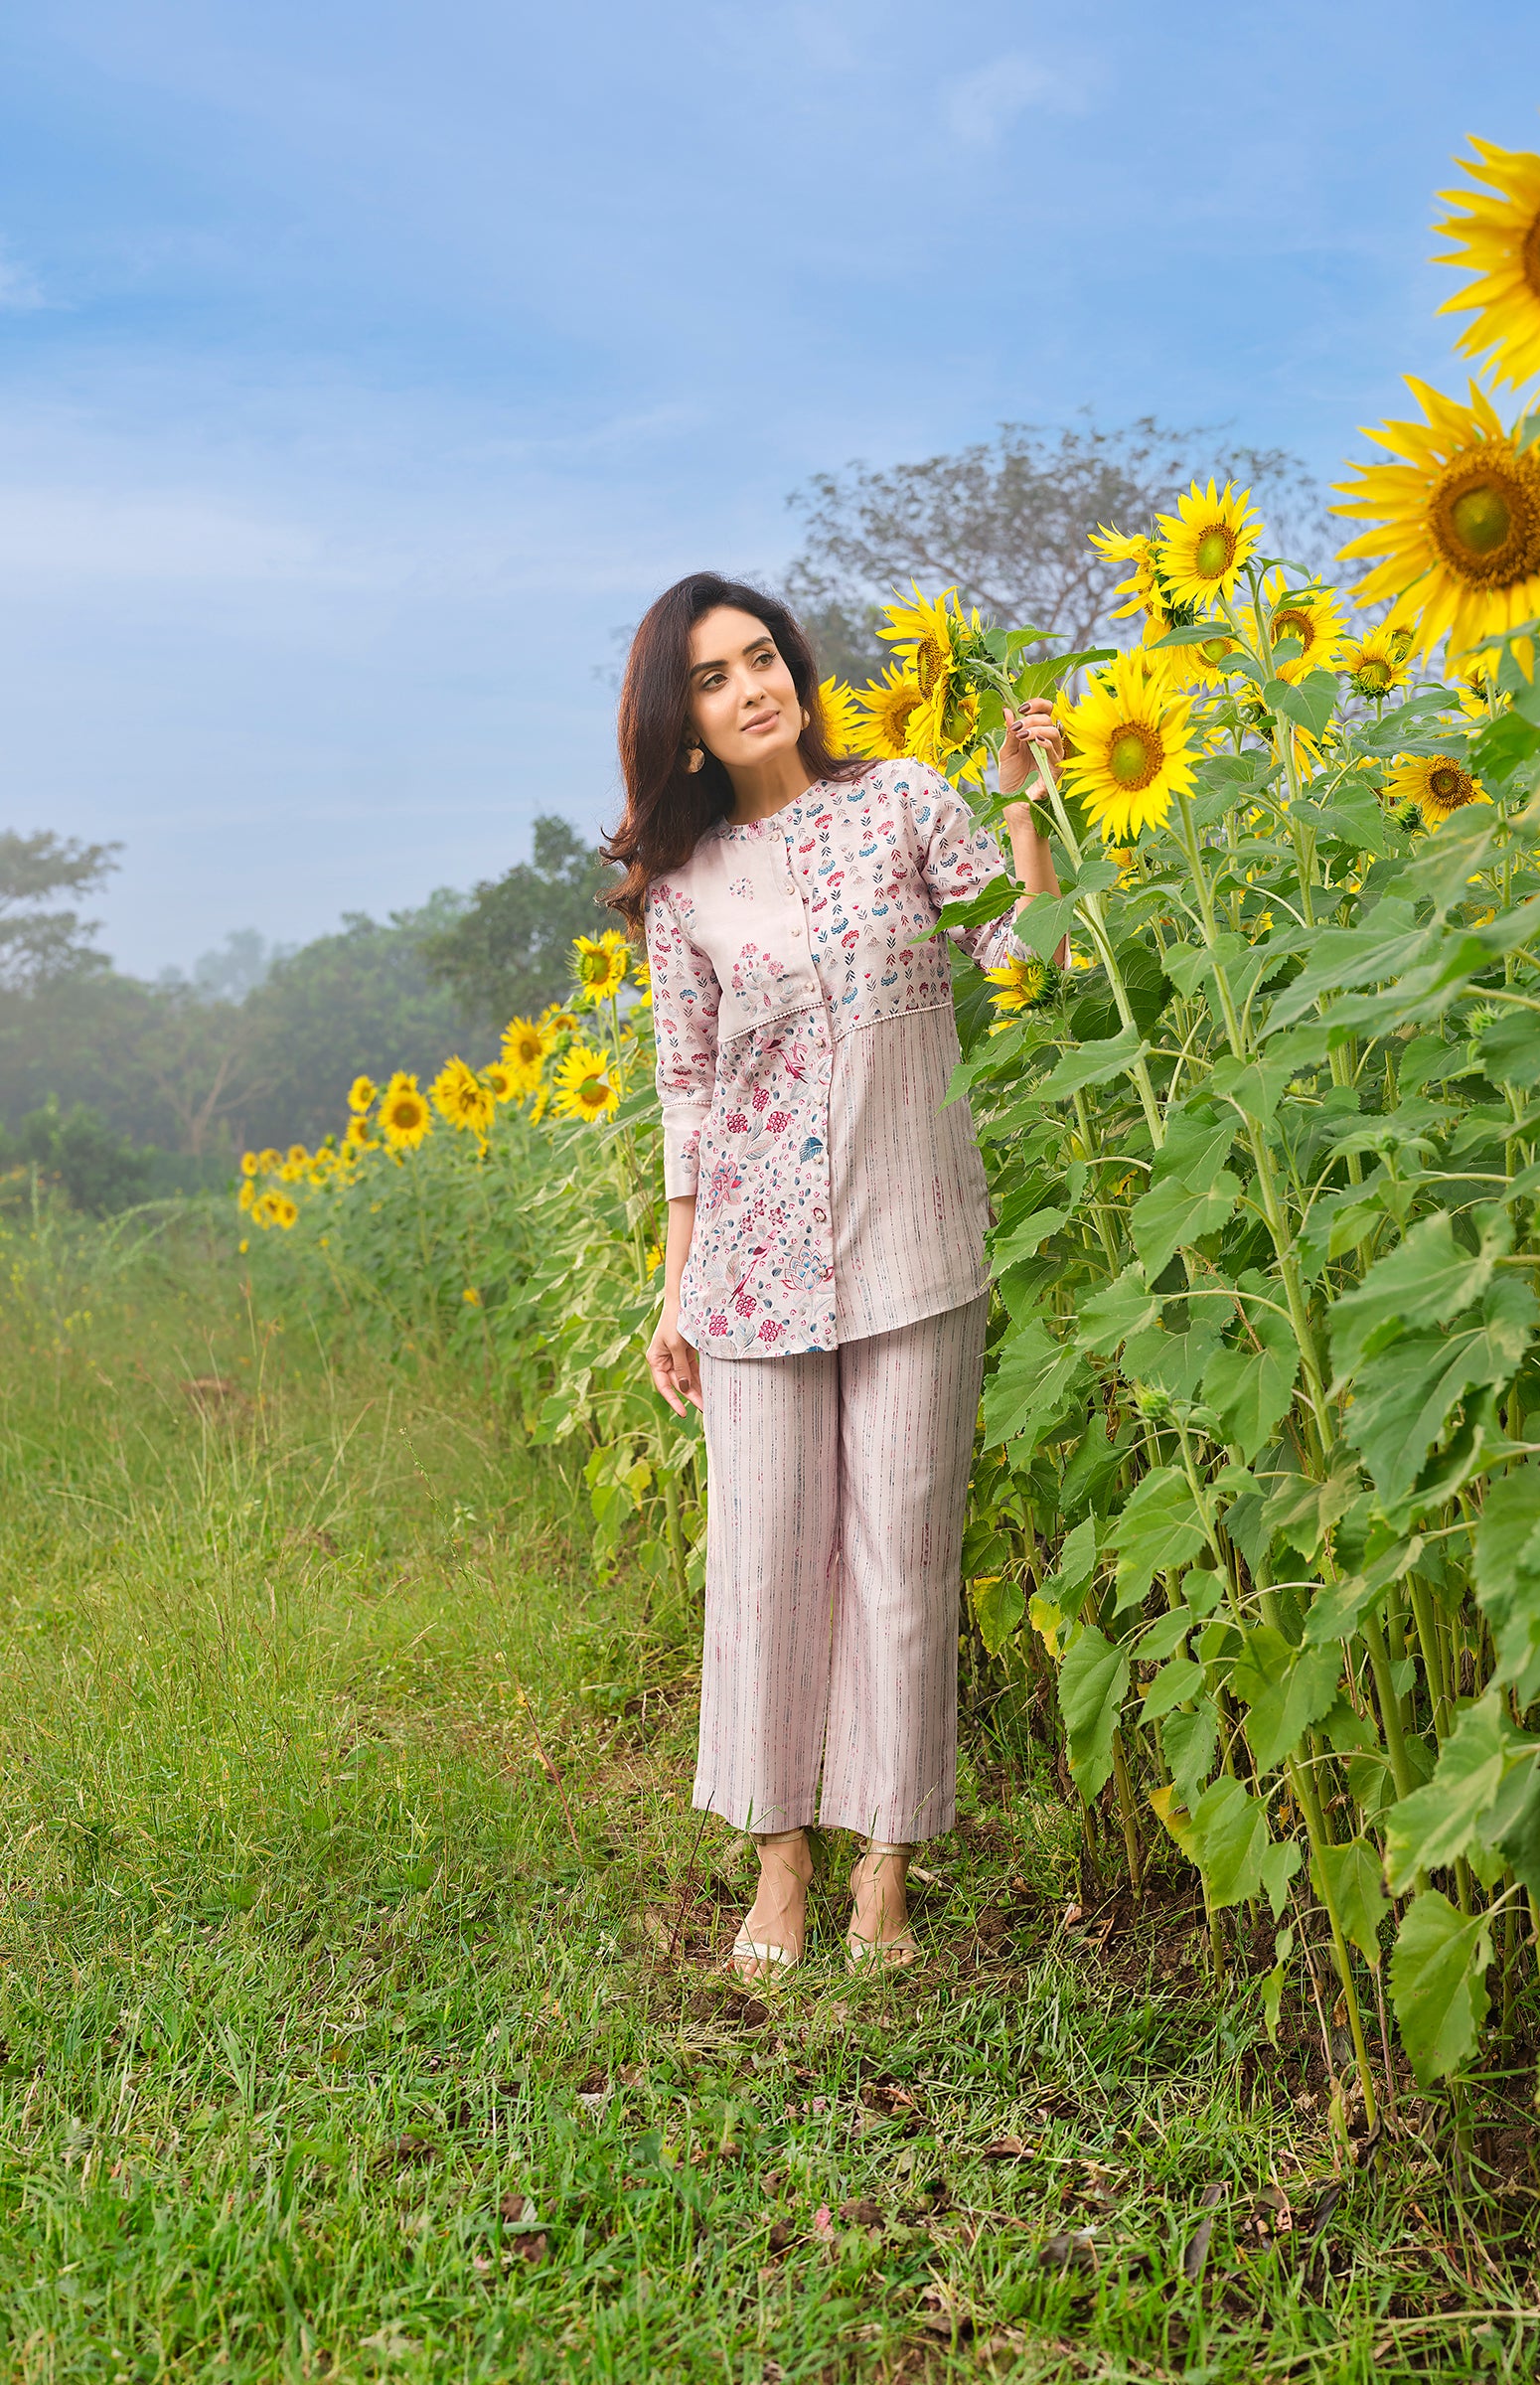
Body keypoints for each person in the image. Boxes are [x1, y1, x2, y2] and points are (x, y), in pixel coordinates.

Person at [605, 571, 1061, 1978]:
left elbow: (1023, 951)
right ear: (679, 725)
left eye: (763, 657)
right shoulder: (683, 894)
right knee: (762, 1569)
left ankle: (886, 1872)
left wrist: (1026, 795)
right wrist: (673, 1290)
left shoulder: (906, 804)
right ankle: (780, 1864)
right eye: (714, 678)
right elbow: (687, 1094)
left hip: (916, 1239)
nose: (754, 687)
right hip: (749, 1268)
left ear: (795, 668)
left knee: (902, 1558)